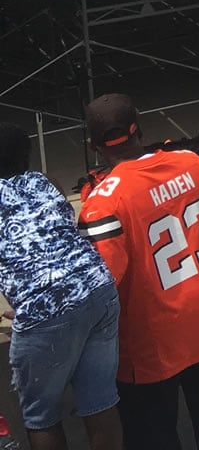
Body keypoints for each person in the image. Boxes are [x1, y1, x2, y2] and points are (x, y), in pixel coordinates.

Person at [78, 94, 199, 449]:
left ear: (93, 145)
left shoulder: (103, 201)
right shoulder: (194, 163)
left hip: (152, 348)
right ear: (140, 128)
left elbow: (99, 288)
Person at [0, 122, 121, 450]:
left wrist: (30, 305)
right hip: (97, 289)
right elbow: (55, 238)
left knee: (42, 416)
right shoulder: (44, 182)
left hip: (45, 314)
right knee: (100, 402)